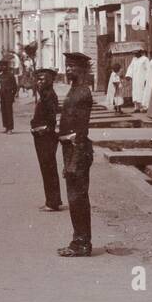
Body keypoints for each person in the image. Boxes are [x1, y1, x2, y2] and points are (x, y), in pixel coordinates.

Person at [57, 52, 95, 257]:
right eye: (67, 66)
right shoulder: (75, 90)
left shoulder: (82, 93)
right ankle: (78, 240)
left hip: (77, 151)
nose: (69, 69)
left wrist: (73, 161)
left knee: (77, 198)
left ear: (82, 69)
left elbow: (81, 131)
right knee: (74, 198)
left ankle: (81, 243)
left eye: (72, 66)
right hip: (71, 149)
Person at [30, 67, 63, 212]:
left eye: (42, 79)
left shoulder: (49, 96)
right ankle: (52, 200)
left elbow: (51, 120)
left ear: (49, 80)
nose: (38, 82)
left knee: (48, 168)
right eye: (37, 79)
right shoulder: (45, 95)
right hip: (42, 137)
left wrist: (40, 129)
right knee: (47, 168)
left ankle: (52, 202)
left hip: (46, 138)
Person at [0, 56, 18, 133]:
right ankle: (6, 126)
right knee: (3, 111)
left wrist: (12, 95)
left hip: (9, 95)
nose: (3, 67)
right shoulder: (0, 76)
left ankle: (10, 128)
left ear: (7, 66)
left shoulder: (11, 76)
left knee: (9, 111)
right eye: (2, 66)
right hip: (2, 95)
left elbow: (15, 87)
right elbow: (0, 87)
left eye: (5, 65)